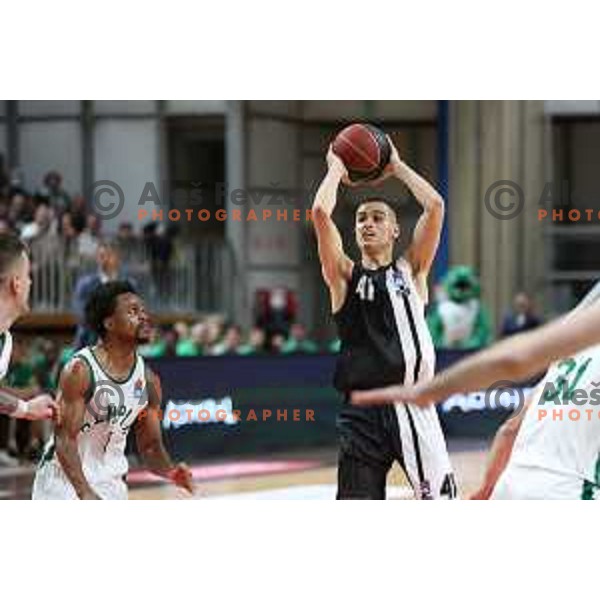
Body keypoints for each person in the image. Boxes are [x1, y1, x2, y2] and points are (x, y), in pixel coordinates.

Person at [351, 282, 600, 499]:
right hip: (569, 490)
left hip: (510, 485)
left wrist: (488, 488)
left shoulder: (565, 361)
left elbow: (508, 426)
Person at [312, 140, 455, 500]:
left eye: (378, 218)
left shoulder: (413, 269)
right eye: (361, 218)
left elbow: (435, 205)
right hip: (362, 413)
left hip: (413, 404)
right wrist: (336, 169)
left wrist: (397, 166)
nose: (368, 224)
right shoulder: (344, 276)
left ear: (395, 230)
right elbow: (319, 213)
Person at [32, 281, 193, 500]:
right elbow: (65, 440)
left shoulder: (149, 381)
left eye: (143, 310)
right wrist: (84, 492)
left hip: (111, 482)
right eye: (133, 311)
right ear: (109, 323)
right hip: (64, 482)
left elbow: (150, 447)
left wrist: (171, 472)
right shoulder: (80, 370)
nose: (144, 316)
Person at [0, 233, 57, 422]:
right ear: (16, 284)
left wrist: (26, 408)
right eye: (28, 276)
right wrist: (25, 408)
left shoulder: (5, 339)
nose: (31, 282)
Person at [72, 240, 133, 349]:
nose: (104, 260)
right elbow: (81, 314)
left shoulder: (128, 284)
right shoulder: (85, 284)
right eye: (101, 256)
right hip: (90, 341)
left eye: (108, 255)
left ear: (117, 258)